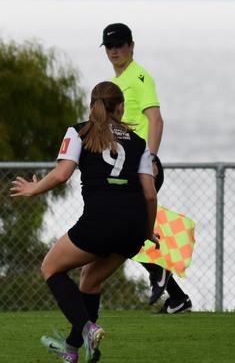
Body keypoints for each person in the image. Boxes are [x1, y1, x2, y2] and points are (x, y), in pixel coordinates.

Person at [10, 81, 158, 362]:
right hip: (133, 227)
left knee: (51, 268)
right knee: (89, 281)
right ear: (121, 107)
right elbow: (149, 196)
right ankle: (72, 349)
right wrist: (148, 232)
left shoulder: (79, 131)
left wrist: (33, 188)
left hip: (100, 222)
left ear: (92, 106)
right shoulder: (139, 143)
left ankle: (88, 329)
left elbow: (62, 174)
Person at [100, 22, 192, 313]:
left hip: (141, 167)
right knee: (126, 230)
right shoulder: (117, 82)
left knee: (121, 230)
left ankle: (162, 277)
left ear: (131, 46)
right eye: (110, 46)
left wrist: (150, 159)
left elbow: (156, 120)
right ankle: (176, 297)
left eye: (119, 45)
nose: (114, 50)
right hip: (126, 166)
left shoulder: (139, 77)